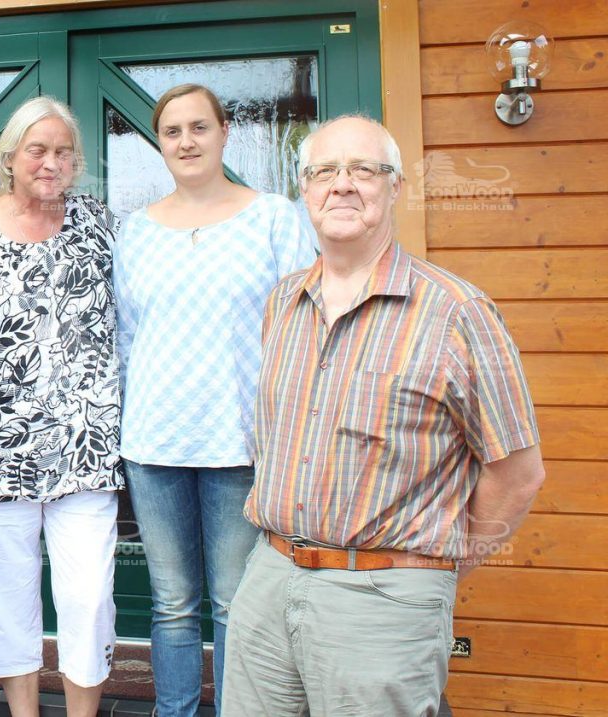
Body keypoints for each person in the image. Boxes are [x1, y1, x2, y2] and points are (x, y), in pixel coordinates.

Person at [221, 115, 546, 716]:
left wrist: (427, 572)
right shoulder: (283, 301)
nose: (342, 185)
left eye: (364, 169)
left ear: (394, 187)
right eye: (324, 171)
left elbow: (517, 472)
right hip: (267, 578)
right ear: (306, 191)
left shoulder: (456, 312)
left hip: (382, 595)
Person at [113, 83, 317, 717]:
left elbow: (301, 328)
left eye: (199, 127)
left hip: (240, 441)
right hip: (154, 443)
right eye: (173, 132)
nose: (186, 141)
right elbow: (124, 338)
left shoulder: (275, 217)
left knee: (234, 600)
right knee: (172, 602)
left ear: (224, 132)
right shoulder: (135, 232)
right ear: (160, 144)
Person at [0, 96, 121, 717]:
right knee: (4, 592)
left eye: (63, 151)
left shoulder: (99, 222)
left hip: (85, 442)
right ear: (9, 157)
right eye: (36, 150)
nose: (50, 162)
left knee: (88, 593)